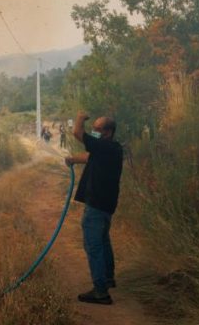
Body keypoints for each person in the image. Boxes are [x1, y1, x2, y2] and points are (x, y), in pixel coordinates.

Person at [65, 110, 123, 305]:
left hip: (97, 205)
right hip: (106, 205)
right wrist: (73, 159)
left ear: (107, 132)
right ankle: (108, 278)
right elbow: (90, 157)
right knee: (103, 241)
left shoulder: (104, 146)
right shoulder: (112, 148)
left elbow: (77, 133)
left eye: (97, 129)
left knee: (93, 245)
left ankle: (100, 291)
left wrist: (80, 117)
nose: (93, 131)